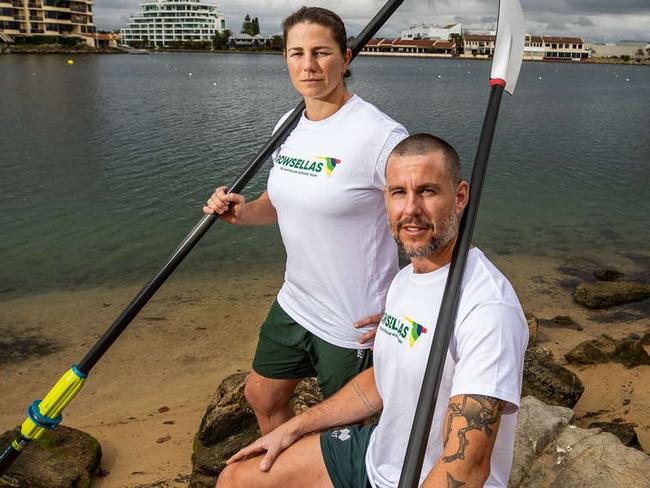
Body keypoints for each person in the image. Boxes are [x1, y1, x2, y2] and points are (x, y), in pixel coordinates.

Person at [216, 133, 529, 488]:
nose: (411, 209)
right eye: (399, 193)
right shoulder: (407, 278)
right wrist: (293, 428)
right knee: (237, 479)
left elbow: (467, 467)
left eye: (427, 191)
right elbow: (380, 381)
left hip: (430, 478)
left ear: (459, 198)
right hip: (376, 457)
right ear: (386, 198)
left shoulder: (487, 307)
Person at [203, 7, 409, 435]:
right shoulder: (288, 125)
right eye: (297, 53)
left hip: (354, 320)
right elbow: (278, 204)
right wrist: (239, 212)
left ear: (346, 57)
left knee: (351, 432)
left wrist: (408, 304)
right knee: (262, 396)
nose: (309, 65)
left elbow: (424, 223)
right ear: (285, 59)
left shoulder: (381, 137)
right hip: (296, 302)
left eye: (321, 52)